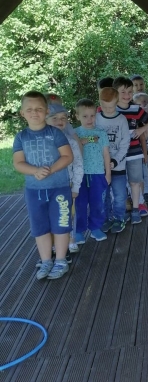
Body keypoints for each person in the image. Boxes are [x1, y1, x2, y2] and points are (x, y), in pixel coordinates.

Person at [13, 92, 73, 280]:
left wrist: (51, 169)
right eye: (29, 109)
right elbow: (18, 163)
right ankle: (46, 260)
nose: (34, 113)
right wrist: (35, 171)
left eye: (39, 109)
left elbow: (68, 156)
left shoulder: (55, 133)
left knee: (61, 224)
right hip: (34, 191)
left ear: (47, 111)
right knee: (40, 227)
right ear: (22, 113)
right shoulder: (21, 137)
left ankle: (61, 260)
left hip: (59, 188)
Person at [46, 101, 83, 254]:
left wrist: (76, 186)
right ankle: (54, 243)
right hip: (47, 185)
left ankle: (71, 239)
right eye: (54, 118)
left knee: (69, 214)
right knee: (51, 215)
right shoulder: (43, 142)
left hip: (67, 185)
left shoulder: (72, 142)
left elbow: (78, 165)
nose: (60, 121)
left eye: (63, 118)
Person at [114, 76, 148, 223]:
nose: (127, 95)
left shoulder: (136, 109)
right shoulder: (109, 110)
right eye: (123, 92)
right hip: (116, 154)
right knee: (118, 182)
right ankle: (121, 209)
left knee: (135, 181)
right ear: (115, 93)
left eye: (130, 92)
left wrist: (142, 129)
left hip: (134, 152)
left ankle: (136, 207)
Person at [73, 98, 111, 244]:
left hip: (98, 174)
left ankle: (95, 227)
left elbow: (106, 154)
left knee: (98, 203)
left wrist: (108, 173)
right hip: (79, 175)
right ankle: (78, 230)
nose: (89, 119)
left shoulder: (101, 133)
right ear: (77, 116)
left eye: (92, 115)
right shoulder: (74, 133)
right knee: (80, 204)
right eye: (85, 116)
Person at [96, 86, 130, 233]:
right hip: (100, 166)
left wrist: (115, 161)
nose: (107, 110)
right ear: (99, 103)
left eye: (110, 107)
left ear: (116, 103)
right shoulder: (96, 118)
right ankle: (106, 218)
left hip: (118, 166)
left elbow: (125, 143)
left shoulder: (121, 120)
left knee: (120, 195)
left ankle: (119, 218)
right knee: (103, 195)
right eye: (104, 106)